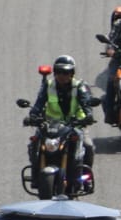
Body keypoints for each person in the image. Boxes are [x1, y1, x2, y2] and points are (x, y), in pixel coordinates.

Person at [29, 55, 97, 185]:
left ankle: (86, 178)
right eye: (59, 72)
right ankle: (35, 176)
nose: (62, 75)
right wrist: (33, 115)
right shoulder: (48, 85)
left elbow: (86, 102)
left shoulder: (79, 86)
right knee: (35, 143)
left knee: (88, 146)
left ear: (72, 73)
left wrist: (88, 115)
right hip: (51, 125)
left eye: (66, 72)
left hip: (75, 125)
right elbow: (39, 102)